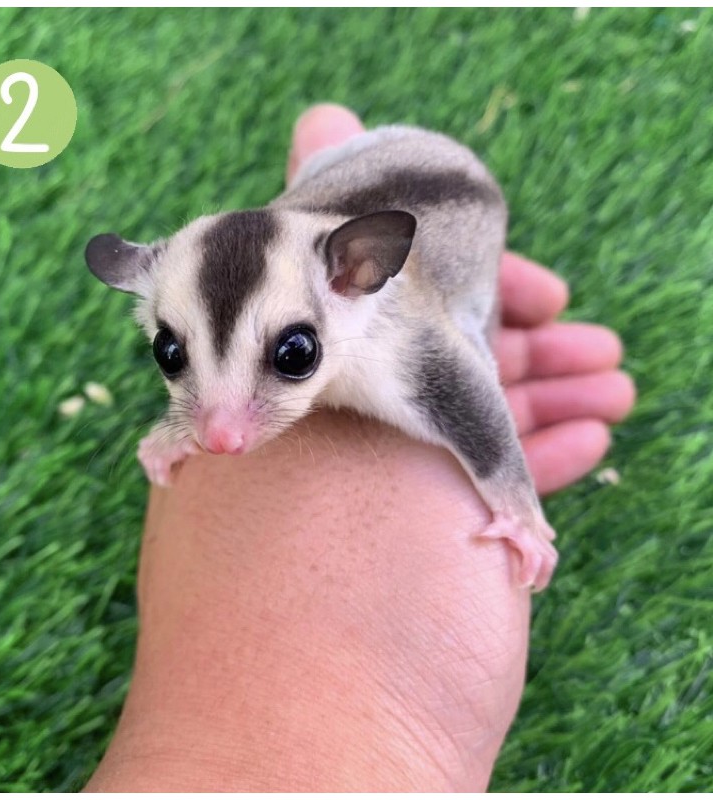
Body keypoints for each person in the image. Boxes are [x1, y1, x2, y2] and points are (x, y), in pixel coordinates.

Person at [84, 105, 635, 791]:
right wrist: (177, 425)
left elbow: (473, 401)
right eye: (173, 354)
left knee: (468, 343)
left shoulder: (391, 331)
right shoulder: (268, 299)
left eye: (292, 354)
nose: (222, 436)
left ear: (355, 278)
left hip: (454, 198)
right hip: (346, 204)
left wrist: (519, 511)